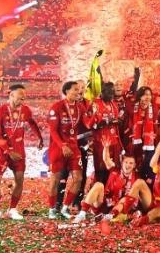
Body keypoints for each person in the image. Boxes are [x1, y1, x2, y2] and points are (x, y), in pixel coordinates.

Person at [0, 84, 43, 222]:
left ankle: (12, 209)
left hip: (19, 152)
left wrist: (40, 137)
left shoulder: (25, 110)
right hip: (2, 152)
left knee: (19, 180)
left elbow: (32, 123)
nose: (22, 101)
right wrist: (8, 151)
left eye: (24, 98)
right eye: (20, 98)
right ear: (11, 95)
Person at [47, 80, 88, 219]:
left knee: (78, 178)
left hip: (74, 148)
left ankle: (65, 207)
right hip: (58, 148)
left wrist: (95, 117)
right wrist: (62, 145)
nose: (78, 92)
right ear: (67, 91)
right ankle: (52, 208)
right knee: (55, 180)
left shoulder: (80, 107)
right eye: (75, 89)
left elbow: (87, 124)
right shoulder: (57, 107)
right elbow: (52, 131)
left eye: (79, 90)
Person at [74, 146, 142, 223]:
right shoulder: (115, 170)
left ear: (134, 165)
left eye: (131, 163)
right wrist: (106, 147)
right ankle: (82, 214)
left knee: (124, 200)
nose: (128, 165)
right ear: (122, 163)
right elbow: (106, 159)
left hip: (120, 208)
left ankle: (108, 217)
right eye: (126, 162)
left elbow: (133, 199)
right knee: (98, 185)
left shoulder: (137, 178)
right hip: (105, 203)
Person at [87, 81, 123, 186]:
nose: (111, 95)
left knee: (113, 167)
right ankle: (99, 190)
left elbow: (116, 120)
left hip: (114, 141)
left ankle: (111, 190)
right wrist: (105, 123)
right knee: (101, 168)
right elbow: (90, 124)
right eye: (109, 92)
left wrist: (117, 121)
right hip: (101, 141)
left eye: (112, 92)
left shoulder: (114, 104)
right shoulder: (95, 103)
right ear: (102, 92)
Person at [131, 86, 159, 184]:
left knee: (150, 162)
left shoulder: (154, 107)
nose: (147, 97)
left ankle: (150, 182)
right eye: (145, 95)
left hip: (150, 142)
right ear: (139, 96)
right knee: (135, 163)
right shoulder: (132, 107)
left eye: (149, 95)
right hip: (135, 140)